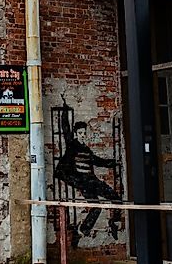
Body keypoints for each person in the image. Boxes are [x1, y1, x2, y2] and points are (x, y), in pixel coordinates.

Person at [54, 96, 122, 240]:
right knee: (96, 207)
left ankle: (114, 222)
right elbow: (65, 129)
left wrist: (112, 163)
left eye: (84, 133)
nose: (83, 136)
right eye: (80, 133)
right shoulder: (72, 145)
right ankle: (82, 230)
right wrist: (65, 109)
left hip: (91, 180)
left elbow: (97, 161)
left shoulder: (86, 149)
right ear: (76, 134)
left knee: (116, 198)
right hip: (82, 182)